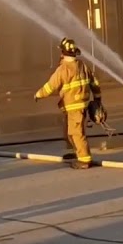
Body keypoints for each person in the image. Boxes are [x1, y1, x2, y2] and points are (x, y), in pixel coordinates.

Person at [34, 37, 101, 169]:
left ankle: (84, 159)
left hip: (74, 106)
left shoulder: (63, 69)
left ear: (63, 53)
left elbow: (50, 86)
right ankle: (78, 153)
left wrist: (38, 94)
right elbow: (95, 83)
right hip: (80, 105)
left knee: (76, 133)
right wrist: (98, 99)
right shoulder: (82, 65)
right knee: (71, 133)